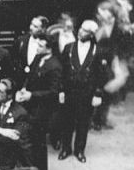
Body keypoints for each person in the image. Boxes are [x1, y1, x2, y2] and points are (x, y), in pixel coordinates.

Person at [58, 20, 108, 163]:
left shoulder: (97, 51)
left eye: (85, 30)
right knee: (66, 121)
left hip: (86, 93)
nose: (80, 31)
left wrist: (98, 94)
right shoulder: (69, 48)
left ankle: (79, 150)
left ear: (91, 35)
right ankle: (65, 148)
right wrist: (61, 91)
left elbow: (101, 75)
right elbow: (62, 72)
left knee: (83, 122)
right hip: (69, 91)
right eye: (80, 28)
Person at [16, 32, 61, 170]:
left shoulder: (55, 66)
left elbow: (53, 92)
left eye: (40, 46)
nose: (37, 47)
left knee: (39, 142)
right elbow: (29, 78)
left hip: (42, 110)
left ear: (49, 48)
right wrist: (23, 90)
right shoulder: (37, 58)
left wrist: (32, 95)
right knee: (28, 139)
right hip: (30, 106)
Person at [11, 15, 49, 82]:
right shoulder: (21, 40)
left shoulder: (47, 44)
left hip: (37, 82)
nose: (31, 27)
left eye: (35, 26)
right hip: (20, 80)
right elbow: (14, 58)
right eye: (31, 24)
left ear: (43, 29)